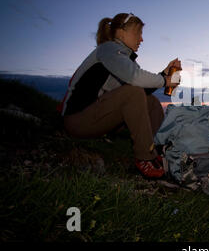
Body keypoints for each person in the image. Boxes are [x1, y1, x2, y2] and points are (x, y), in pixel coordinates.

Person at [57, 12, 181, 178]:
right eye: (138, 33)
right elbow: (135, 78)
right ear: (122, 32)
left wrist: (164, 73)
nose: (141, 39)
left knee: (150, 101)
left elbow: (141, 90)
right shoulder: (108, 49)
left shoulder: (124, 59)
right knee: (133, 92)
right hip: (77, 120)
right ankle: (145, 158)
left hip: (97, 118)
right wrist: (164, 80)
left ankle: (157, 151)